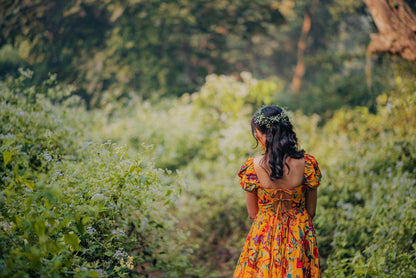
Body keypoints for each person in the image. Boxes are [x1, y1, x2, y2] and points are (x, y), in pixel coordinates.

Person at [233, 105, 321, 278]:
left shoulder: (252, 168)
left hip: (264, 233)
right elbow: (311, 211)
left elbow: (253, 214)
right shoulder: (308, 164)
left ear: (261, 134)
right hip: (299, 233)